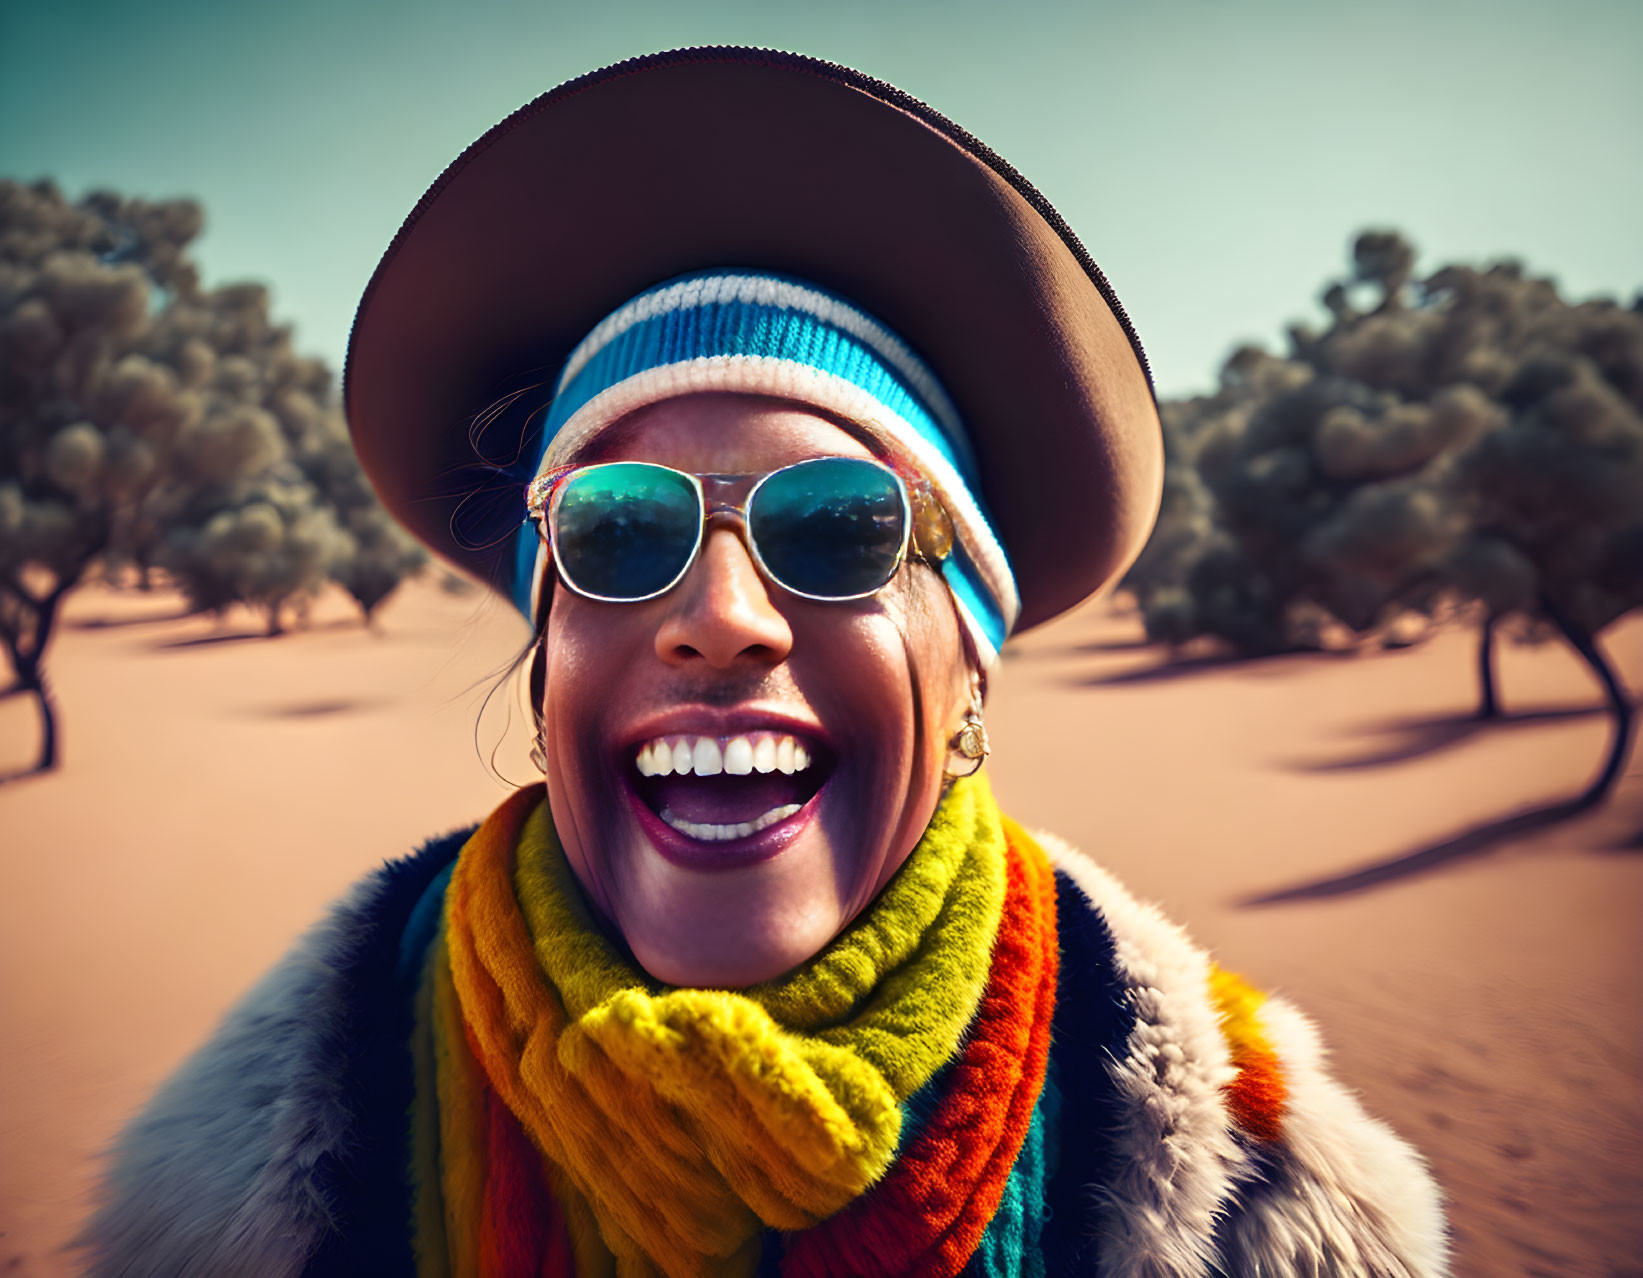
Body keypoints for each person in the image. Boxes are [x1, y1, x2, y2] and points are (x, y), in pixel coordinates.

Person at [80, 48, 1448, 1277]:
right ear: (546, 649)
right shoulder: (262, 1163)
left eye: (840, 526)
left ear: (969, 665)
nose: (723, 614)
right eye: (619, 532)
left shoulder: (1252, 1198)